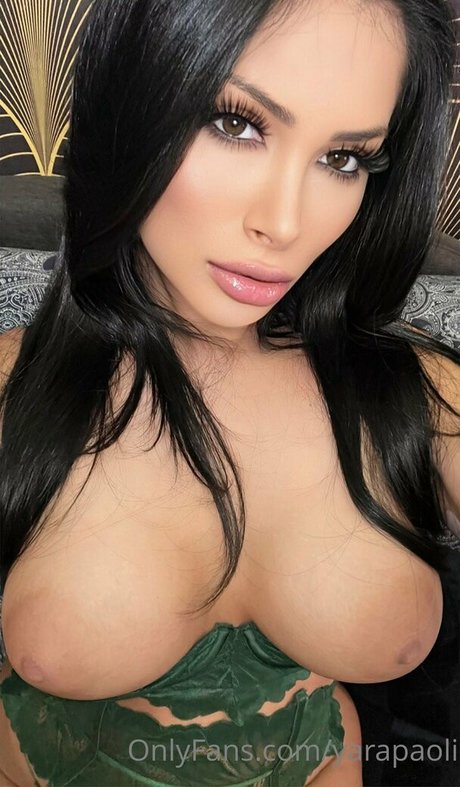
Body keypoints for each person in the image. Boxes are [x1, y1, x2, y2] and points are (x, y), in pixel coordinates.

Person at [0, 0, 459, 784]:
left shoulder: (419, 391)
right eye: (235, 123)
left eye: (343, 159)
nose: (285, 223)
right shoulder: (16, 387)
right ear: (130, 107)